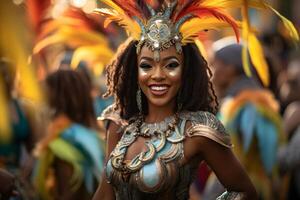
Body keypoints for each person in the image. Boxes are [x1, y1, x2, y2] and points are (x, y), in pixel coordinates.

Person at [93, 1, 257, 199]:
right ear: (134, 71)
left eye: (171, 65)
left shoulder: (197, 129)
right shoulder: (121, 124)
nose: (158, 75)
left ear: (185, 71)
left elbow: (244, 191)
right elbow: (104, 194)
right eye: (147, 66)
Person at [205, 43, 283, 200]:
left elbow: (271, 159)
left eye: (214, 65)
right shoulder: (233, 103)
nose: (210, 73)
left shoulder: (253, 105)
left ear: (230, 69)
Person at [32, 70, 104, 200]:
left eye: (46, 97)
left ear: (57, 101)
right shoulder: (93, 138)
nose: (42, 103)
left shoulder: (61, 146)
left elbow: (68, 193)